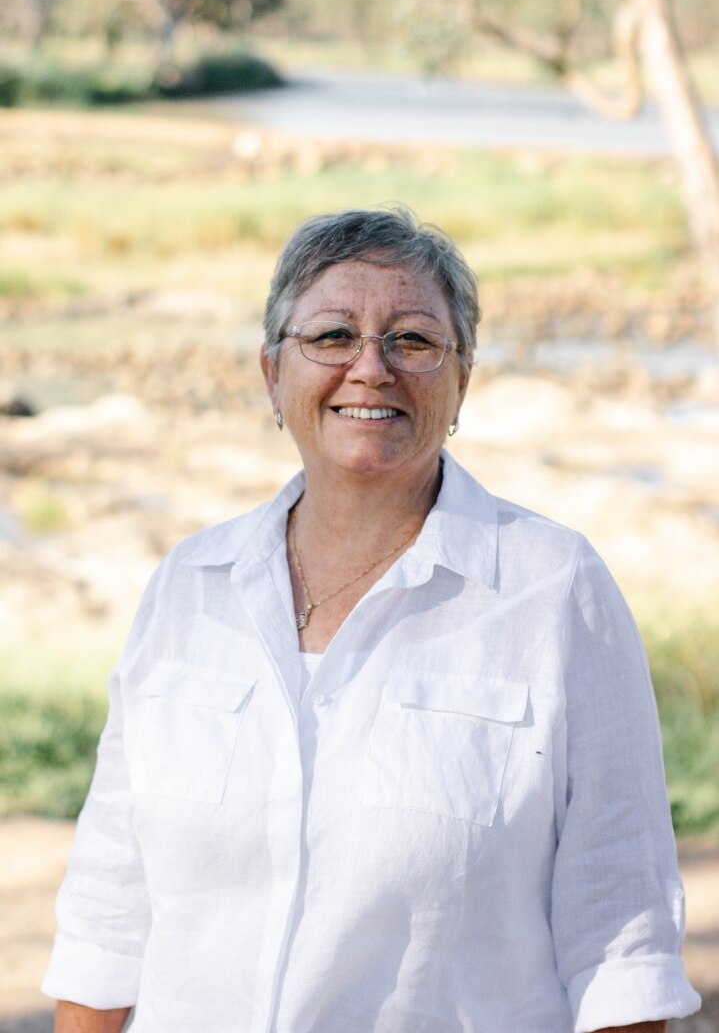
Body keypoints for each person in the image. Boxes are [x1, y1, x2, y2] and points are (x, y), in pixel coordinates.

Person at [44, 206, 700, 1033]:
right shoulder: (187, 586)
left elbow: (620, 947)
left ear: (461, 380)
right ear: (270, 374)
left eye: (413, 340)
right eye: (330, 336)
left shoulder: (555, 588)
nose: (371, 368)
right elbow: (108, 917)